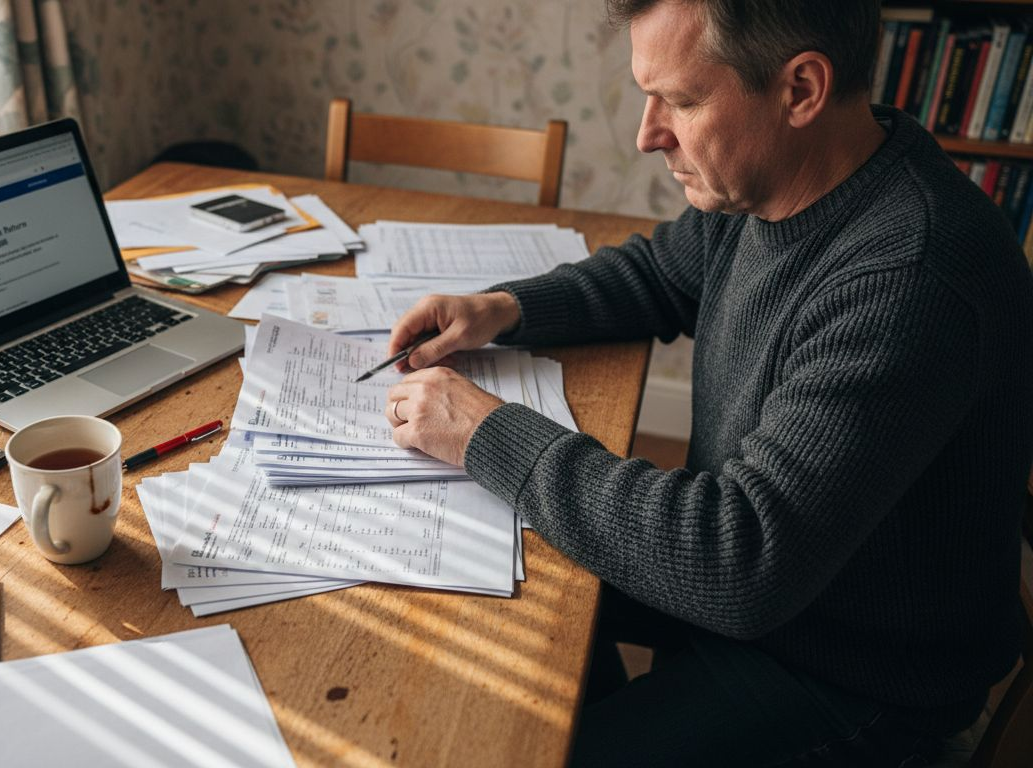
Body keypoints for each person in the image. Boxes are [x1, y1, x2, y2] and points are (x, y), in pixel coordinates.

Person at [382, 0, 1033, 765]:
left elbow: (739, 560)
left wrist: (486, 433)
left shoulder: (910, 277)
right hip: (771, 596)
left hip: (853, 677)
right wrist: (506, 308)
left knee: (522, 745)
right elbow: (662, 272)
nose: (648, 133)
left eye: (683, 101)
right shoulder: (788, 174)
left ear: (800, 91)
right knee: (492, 576)